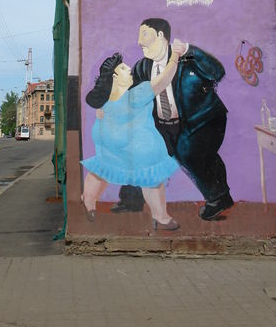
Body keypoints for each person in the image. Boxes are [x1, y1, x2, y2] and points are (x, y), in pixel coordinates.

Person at [114, 18, 233, 221]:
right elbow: (133, 99)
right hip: (164, 123)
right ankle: (131, 199)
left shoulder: (187, 58)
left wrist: (190, 49)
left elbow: (218, 72)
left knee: (188, 151)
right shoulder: (142, 67)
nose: (139, 41)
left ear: (161, 36)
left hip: (202, 119)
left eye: (145, 34)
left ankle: (218, 198)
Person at [81, 51, 181, 230]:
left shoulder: (105, 100)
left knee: (102, 169)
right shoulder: (137, 94)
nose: (129, 70)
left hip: (108, 143)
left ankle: (88, 202)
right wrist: (176, 57)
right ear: (115, 77)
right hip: (134, 147)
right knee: (152, 179)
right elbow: (163, 80)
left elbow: (100, 110)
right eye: (123, 68)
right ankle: (161, 217)